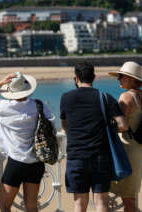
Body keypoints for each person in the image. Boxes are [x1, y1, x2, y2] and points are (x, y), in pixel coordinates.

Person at [60, 62, 128, 212]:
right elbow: (123, 125)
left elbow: (65, 126)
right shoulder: (105, 97)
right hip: (100, 157)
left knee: (79, 203)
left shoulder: (66, 98)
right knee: (101, 203)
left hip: (76, 157)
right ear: (94, 78)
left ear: (76, 78)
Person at [0, 72, 55, 212]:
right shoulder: (38, 105)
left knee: (4, 206)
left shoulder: (4, 107)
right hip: (36, 161)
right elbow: (51, 123)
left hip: (16, 162)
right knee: (32, 206)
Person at [108, 61, 142, 212]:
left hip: (125, 151)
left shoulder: (126, 97)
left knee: (127, 201)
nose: (119, 79)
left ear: (131, 79)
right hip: (140, 150)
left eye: (121, 76)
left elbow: (118, 124)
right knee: (130, 197)